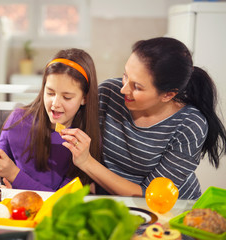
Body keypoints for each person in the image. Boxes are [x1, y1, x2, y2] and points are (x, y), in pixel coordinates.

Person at [63, 37, 226, 200]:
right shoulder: (107, 93)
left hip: (171, 208)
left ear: (168, 95)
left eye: (137, 87)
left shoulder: (190, 125)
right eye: (125, 75)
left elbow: (150, 195)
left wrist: (86, 163)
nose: (123, 89)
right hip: (115, 200)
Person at [0, 48, 101, 191]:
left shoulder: (82, 144)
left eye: (67, 97)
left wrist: (14, 175)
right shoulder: (17, 121)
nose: (55, 104)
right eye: (50, 93)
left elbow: (62, 201)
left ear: (85, 98)